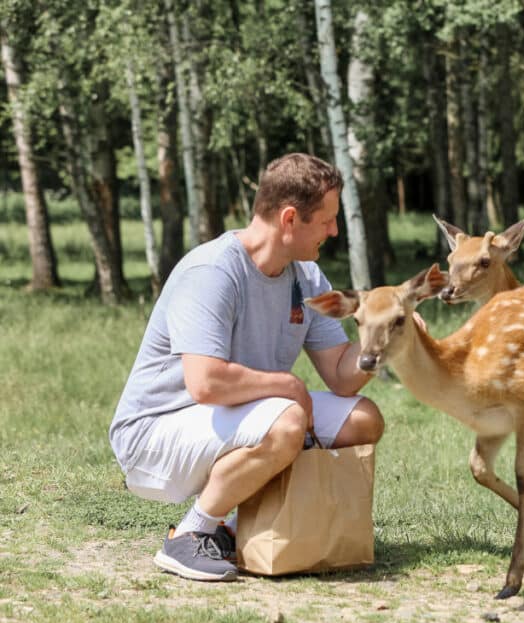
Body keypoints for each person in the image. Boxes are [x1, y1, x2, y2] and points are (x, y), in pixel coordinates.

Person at [109, 153, 384, 582]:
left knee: (363, 420)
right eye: (327, 220)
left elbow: (341, 375)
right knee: (288, 419)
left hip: (232, 419)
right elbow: (204, 383)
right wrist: (287, 385)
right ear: (290, 219)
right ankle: (190, 535)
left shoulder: (306, 277)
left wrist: (383, 338)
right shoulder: (213, 271)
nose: (334, 230)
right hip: (153, 435)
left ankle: (240, 532)